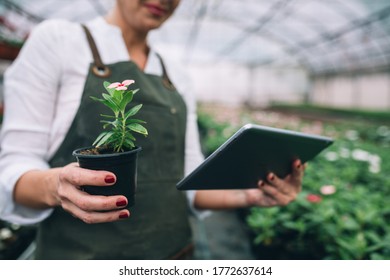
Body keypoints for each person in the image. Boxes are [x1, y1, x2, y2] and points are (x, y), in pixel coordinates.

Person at [0, 0, 305, 259]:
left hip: (175, 255)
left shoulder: (176, 75)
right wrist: (55, 186)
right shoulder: (60, 41)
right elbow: (13, 168)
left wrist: (251, 195)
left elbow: (188, 181)